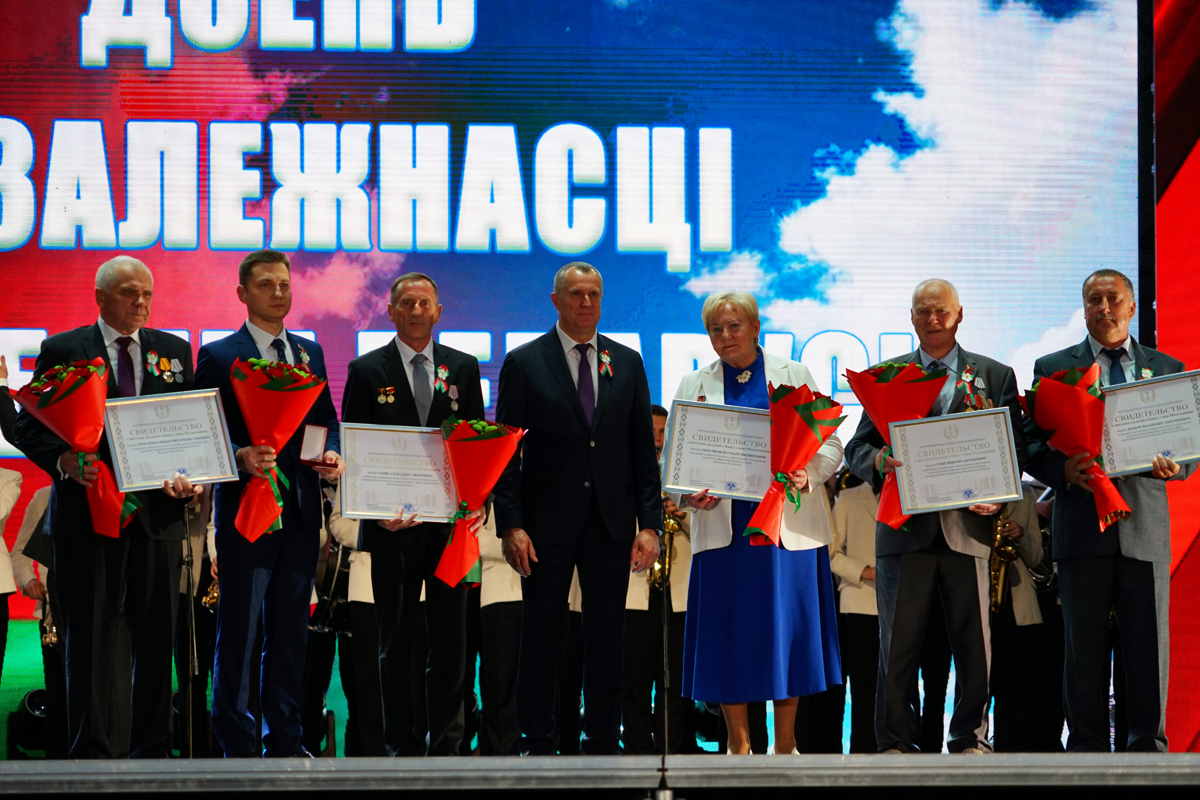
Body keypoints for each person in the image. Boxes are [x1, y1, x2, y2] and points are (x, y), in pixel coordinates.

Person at [12, 255, 199, 759]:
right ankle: (89, 755)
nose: (140, 302)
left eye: (147, 294)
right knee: (88, 642)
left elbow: (191, 427)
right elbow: (28, 423)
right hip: (86, 516)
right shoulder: (64, 348)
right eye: (128, 292)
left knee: (156, 641)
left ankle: (152, 752)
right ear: (100, 297)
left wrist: (193, 477)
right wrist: (63, 459)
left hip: (157, 518)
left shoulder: (173, 350)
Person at [844, 278, 1026, 754]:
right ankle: (895, 741)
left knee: (975, 646)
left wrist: (999, 497)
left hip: (969, 530)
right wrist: (879, 461)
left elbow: (1016, 449)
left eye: (941, 310)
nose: (932, 319)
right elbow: (856, 447)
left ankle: (970, 737)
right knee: (897, 646)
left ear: (959, 315)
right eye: (923, 311)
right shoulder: (887, 376)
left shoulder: (994, 374)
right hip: (903, 531)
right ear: (911, 317)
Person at [494, 261, 662, 756]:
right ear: (556, 300)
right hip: (544, 524)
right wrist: (511, 524)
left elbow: (642, 452)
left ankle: (603, 740)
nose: (585, 302)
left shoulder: (626, 361)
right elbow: (505, 453)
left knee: (607, 636)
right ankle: (538, 741)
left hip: (611, 522)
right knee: (541, 636)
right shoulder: (525, 361)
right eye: (575, 294)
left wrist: (650, 525)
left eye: (593, 294)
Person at [1023, 269, 1193, 752]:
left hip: (1145, 529)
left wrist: (1177, 466)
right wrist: (1061, 470)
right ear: (1083, 309)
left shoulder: (1167, 367)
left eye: (1113, 298)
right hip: (1081, 529)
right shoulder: (1055, 366)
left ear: (1132, 306)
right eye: (1094, 299)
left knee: (1149, 648)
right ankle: (1086, 750)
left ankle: (1147, 749)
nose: (1104, 307)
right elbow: (1029, 442)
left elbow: (1189, 443)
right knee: (1083, 650)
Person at [673, 290, 843, 756]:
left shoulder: (794, 374)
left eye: (734, 326)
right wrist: (687, 494)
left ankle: (786, 746)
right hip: (724, 530)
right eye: (716, 329)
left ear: (755, 327)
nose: (725, 336)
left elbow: (831, 443)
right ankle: (738, 745)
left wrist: (809, 474)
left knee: (784, 636)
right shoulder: (693, 384)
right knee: (729, 634)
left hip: (785, 528)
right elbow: (674, 461)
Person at [197, 249, 344, 758]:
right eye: (266, 284)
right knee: (240, 631)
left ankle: (285, 739)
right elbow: (204, 431)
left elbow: (326, 420)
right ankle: (236, 745)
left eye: (284, 284)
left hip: (300, 512)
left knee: (289, 634)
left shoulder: (309, 353)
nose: (278, 292)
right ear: (242, 293)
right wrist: (239, 455)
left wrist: (330, 453)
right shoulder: (219, 355)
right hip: (247, 513)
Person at [341, 272, 486, 756]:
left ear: (438, 312)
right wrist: (372, 512)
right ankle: (399, 747)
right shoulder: (366, 369)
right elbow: (355, 449)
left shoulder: (463, 367)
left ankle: (446, 745)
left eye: (425, 303)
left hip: (448, 530)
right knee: (395, 645)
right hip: (391, 528)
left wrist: (478, 498)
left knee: (451, 644)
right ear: (391, 311)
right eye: (406, 302)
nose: (416, 310)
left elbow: (475, 441)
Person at [623, 404, 693, 755]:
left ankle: (673, 750)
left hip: (676, 596)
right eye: (650, 430)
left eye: (663, 431)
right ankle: (637, 752)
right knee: (634, 681)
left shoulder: (687, 477)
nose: (657, 438)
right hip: (635, 592)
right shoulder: (623, 474)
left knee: (675, 682)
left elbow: (711, 534)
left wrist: (684, 514)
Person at [829, 470, 880, 754]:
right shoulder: (849, 498)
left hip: (904, 601)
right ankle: (862, 753)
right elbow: (831, 553)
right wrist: (864, 571)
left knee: (903, 688)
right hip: (860, 600)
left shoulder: (907, 498)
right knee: (863, 688)